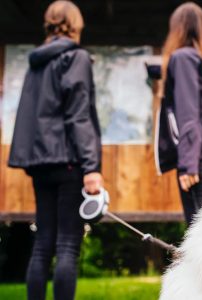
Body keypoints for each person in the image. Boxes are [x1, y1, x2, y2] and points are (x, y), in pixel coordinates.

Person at [8, 1, 102, 299]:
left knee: (43, 244)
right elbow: (78, 115)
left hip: (40, 162)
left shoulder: (36, 62)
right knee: (67, 245)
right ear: (75, 24)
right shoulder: (76, 58)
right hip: (70, 161)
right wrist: (91, 167)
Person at [155, 2, 202, 225]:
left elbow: (189, 115)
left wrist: (188, 164)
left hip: (200, 162)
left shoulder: (182, 59)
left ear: (176, 28)